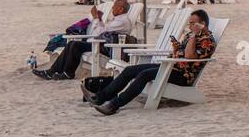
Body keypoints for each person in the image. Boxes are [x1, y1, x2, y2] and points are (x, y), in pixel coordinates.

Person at [88, 9, 216, 115]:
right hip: (171, 67)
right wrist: (178, 46)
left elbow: (189, 56)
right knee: (129, 70)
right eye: (189, 23)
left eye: (193, 23)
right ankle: (100, 97)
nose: (190, 26)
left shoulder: (207, 40)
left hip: (183, 75)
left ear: (202, 24)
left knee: (144, 75)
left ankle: (114, 105)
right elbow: (181, 51)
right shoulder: (190, 35)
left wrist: (194, 35)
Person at [34, 0, 133, 81]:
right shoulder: (119, 20)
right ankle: (56, 71)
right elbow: (103, 29)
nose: (112, 8)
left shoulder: (122, 21)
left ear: (121, 9)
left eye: (114, 6)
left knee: (75, 45)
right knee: (72, 44)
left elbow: (100, 31)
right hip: (102, 44)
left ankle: (66, 72)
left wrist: (95, 18)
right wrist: (100, 19)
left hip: (108, 48)